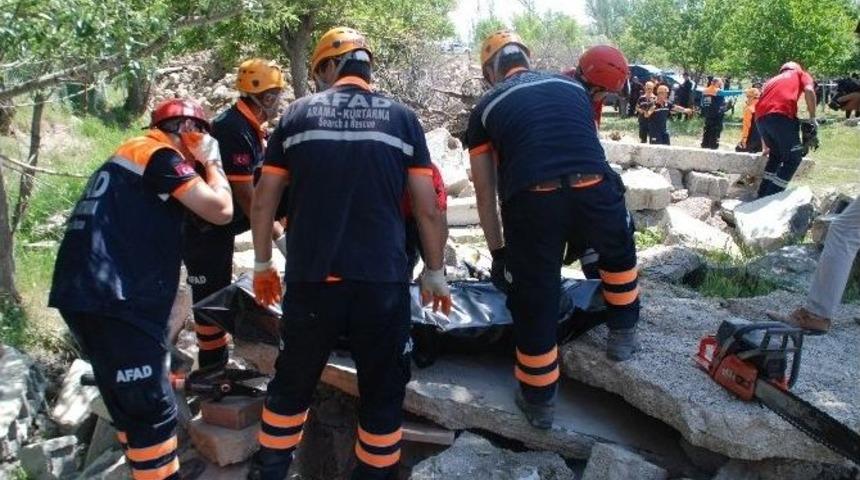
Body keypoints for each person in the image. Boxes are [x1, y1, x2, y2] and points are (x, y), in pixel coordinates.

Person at [247, 27, 451, 480]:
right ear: (367, 68)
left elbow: (263, 202)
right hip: (382, 284)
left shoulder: (296, 116)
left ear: (327, 68)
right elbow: (428, 207)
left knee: (292, 385)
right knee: (383, 393)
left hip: (312, 281)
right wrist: (435, 272)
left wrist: (262, 264)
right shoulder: (402, 119)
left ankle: (270, 470)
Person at [48, 99, 233, 480]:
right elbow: (220, 209)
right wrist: (213, 162)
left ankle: (149, 471)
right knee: (152, 411)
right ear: (190, 132)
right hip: (117, 300)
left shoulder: (129, 157)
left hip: (87, 294)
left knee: (129, 405)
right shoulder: (160, 155)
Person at [468, 32, 639, 430]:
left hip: (534, 200)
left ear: (490, 72)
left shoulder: (485, 107)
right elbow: (585, 148)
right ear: (527, 59)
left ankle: (539, 400)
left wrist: (499, 254)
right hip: (595, 187)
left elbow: (485, 191)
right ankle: (622, 335)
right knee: (618, 255)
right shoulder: (572, 87)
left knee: (535, 296)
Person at [183, 58, 288, 372]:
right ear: (263, 97)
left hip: (225, 219)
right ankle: (212, 368)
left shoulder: (252, 127)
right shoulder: (234, 129)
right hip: (203, 227)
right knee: (210, 296)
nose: (278, 102)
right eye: (275, 96)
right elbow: (247, 197)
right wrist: (270, 251)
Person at [768, 26, 860, 334]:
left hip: (771, 121)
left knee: (845, 231)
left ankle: (817, 314)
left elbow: (809, 93)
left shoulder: (796, 76)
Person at [755, 61, 817, 197]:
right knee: (793, 159)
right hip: (781, 116)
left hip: (760, 119)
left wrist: (765, 145)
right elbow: (809, 90)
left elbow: (761, 106)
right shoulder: (800, 74)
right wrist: (813, 118)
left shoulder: (771, 81)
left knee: (775, 156)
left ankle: (761, 195)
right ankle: (771, 197)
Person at [700, 77, 726, 149]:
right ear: (717, 83)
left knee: (707, 129)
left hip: (708, 113)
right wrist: (742, 91)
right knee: (716, 130)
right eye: (720, 83)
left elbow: (702, 103)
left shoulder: (705, 90)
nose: (721, 84)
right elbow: (727, 94)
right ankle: (713, 145)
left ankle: (705, 144)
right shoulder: (717, 91)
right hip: (717, 114)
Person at [736, 87, 763, 153]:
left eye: (747, 97)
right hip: (763, 141)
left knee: (738, 149)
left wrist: (744, 140)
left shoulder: (749, 109)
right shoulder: (764, 107)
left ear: (750, 97)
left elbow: (746, 127)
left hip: (752, 140)